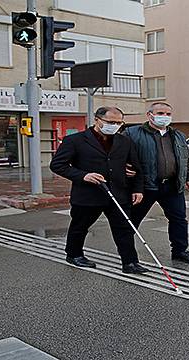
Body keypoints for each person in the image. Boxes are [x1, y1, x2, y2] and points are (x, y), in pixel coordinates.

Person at [50, 106, 149, 274]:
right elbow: (57, 165)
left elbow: (135, 167)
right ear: (96, 120)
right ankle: (74, 254)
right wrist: (83, 175)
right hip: (88, 194)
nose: (115, 126)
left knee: (124, 229)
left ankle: (130, 262)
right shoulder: (75, 140)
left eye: (119, 123)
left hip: (118, 193)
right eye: (110, 122)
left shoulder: (124, 141)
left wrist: (137, 189)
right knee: (80, 226)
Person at [124, 102, 189, 264]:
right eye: (160, 113)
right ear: (149, 115)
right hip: (144, 186)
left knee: (179, 219)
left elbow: (185, 158)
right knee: (132, 220)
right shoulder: (132, 133)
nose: (164, 117)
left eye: (168, 114)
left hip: (172, 185)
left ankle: (180, 251)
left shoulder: (177, 135)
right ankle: (128, 256)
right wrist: (122, 167)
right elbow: (117, 155)